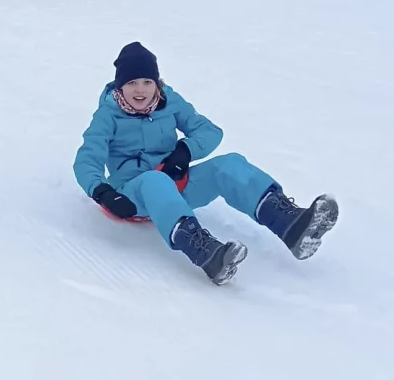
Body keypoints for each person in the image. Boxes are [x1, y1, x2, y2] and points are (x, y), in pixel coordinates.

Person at [73, 42, 339, 286]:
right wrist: (102, 192)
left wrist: (184, 151)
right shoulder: (107, 116)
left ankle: (290, 224)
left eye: (147, 81)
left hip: (175, 183)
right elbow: (87, 159)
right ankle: (206, 252)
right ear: (120, 87)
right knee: (155, 181)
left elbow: (209, 131)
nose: (140, 90)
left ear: (157, 83)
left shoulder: (169, 102)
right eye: (132, 83)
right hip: (131, 197)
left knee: (230, 164)